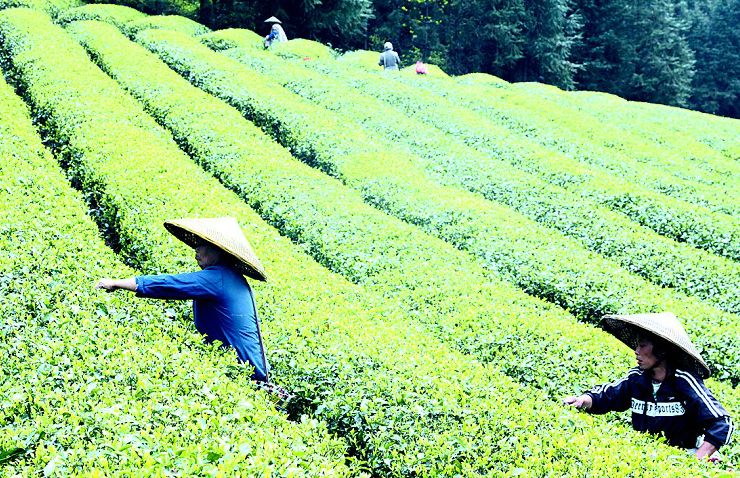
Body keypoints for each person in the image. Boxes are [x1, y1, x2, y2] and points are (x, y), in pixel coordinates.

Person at [96, 217, 270, 383]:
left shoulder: (218, 278)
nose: (196, 250)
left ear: (217, 250)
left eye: (202, 245)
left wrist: (116, 283)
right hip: (250, 370)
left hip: (245, 375)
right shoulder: (230, 276)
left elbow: (171, 284)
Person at [563, 312, 733, 460]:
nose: (636, 350)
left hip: (683, 455)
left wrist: (696, 461)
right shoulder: (637, 378)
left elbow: (722, 422)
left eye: (642, 345)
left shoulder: (684, 380)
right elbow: (608, 395)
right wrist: (581, 400)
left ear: (662, 350)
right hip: (649, 457)